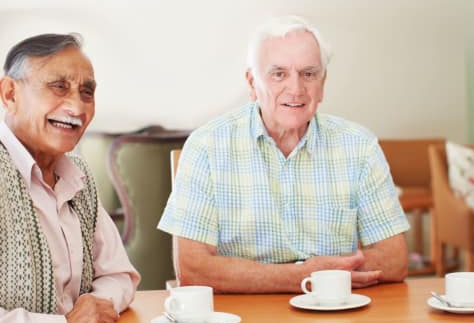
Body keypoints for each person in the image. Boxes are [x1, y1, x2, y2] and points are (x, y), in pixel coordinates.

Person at [159, 16, 409, 293]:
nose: (296, 89)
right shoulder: (206, 146)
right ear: (252, 83)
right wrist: (301, 276)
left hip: (335, 315)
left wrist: (317, 276)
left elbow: (394, 259)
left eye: (308, 74)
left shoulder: (360, 146)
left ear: (322, 83)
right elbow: (192, 269)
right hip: (240, 320)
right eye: (278, 74)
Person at [0, 34, 140, 323]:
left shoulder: (76, 176)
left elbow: (119, 275)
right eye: (58, 87)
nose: (77, 108)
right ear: (9, 94)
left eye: (87, 92)